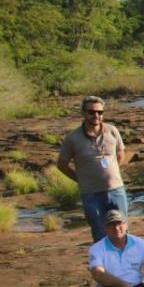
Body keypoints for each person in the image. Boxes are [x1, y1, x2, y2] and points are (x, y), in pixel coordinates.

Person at [58, 95, 128, 242]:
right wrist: (80, 179)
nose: (96, 115)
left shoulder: (112, 131)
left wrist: (112, 172)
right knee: (99, 233)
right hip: (91, 194)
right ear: (83, 113)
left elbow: (120, 153)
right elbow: (62, 165)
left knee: (122, 231)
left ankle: (124, 264)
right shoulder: (73, 138)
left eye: (100, 112)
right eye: (91, 112)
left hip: (116, 190)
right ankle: (104, 264)